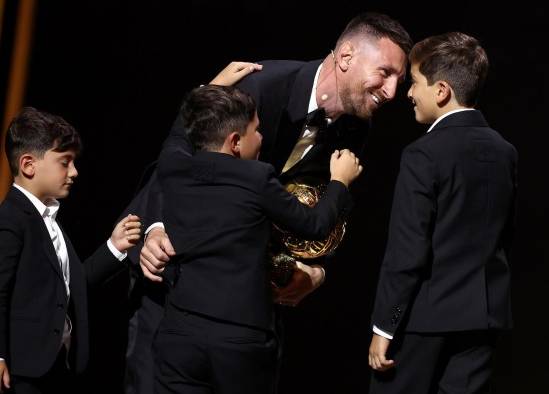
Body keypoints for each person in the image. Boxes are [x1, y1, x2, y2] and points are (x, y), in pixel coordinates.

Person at [126, 12, 412, 394]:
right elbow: (181, 161)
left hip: (248, 307)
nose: (392, 92)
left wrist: (315, 271)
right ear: (345, 57)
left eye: (400, 80)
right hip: (176, 279)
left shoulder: (358, 125)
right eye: (385, 73)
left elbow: (327, 208)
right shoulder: (259, 86)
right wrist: (156, 227)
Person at [153, 84, 361, 394]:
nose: (262, 138)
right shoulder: (256, 178)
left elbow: (177, 134)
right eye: (256, 130)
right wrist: (339, 182)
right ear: (235, 142)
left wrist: (213, 86)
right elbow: (315, 225)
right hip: (240, 341)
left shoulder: (172, 165)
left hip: (179, 334)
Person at [368, 32, 517, 394]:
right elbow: (502, 235)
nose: (408, 93)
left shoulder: (423, 154)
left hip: (423, 320)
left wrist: (383, 328)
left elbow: (407, 252)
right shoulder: (505, 151)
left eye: (415, 83)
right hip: (484, 318)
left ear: (441, 91)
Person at [0, 107, 141, 394]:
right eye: (65, 162)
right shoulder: (12, 219)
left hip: (55, 367)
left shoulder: (50, 221)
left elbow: (71, 286)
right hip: (22, 371)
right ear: (29, 165)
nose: (74, 172)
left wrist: (113, 248)